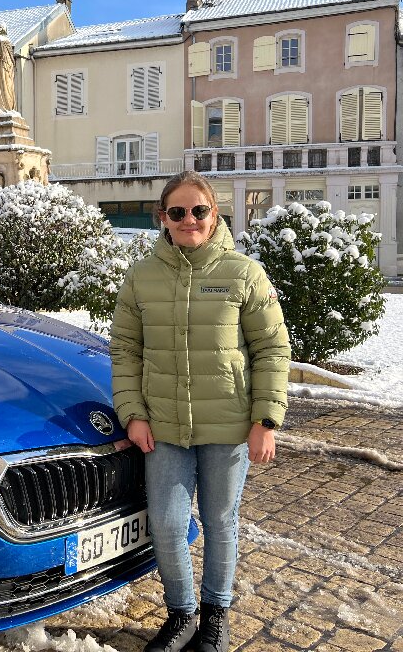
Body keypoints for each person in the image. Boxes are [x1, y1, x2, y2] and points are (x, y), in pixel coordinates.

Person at [110, 171, 290, 652]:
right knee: (168, 523)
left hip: (228, 426)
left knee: (219, 520)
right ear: (162, 219)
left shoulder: (243, 273)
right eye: (177, 212)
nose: (189, 219)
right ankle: (182, 613)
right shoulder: (142, 276)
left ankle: (216, 614)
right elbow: (126, 349)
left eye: (199, 211)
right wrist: (133, 413)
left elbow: (272, 348)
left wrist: (264, 420)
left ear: (215, 216)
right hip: (163, 425)